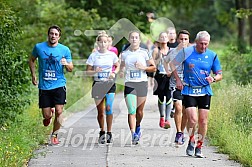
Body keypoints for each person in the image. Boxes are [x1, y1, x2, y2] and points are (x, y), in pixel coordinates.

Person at [170, 31, 222, 157]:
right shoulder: (186, 52)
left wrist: (214, 79)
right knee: (192, 119)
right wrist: (177, 79)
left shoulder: (212, 55)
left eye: (206, 44)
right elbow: (172, 64)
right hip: (189, 90)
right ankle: (192, 140)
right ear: (196, 42)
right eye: (201, 44)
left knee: (203, 121)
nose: (203, 47)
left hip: (204, 91)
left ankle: (199, 146)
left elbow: (219, 74)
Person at [29, 25, 74, 145]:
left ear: (59, 37)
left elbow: (71, 69)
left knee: (60, 111)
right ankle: (48, 116)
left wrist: (66, 64)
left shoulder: (64, 50)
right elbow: (32, 60)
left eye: (55, 34)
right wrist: (33, 75)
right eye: (51, 34)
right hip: (44, 86)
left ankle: (54, 134)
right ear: (48, 34)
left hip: (59, 84)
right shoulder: (39, 47)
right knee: (46, 114)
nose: (53, 36)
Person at [120, 31, 156, 144]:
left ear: (139, 40)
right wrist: (121, 72)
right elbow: (121, 66)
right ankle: (133, 134)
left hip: (141, 83)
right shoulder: (125, 54)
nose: (134, 39)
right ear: (129, 40)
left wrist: (143, 67)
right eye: (132, 37)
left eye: (136, 38)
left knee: (139, 112)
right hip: (130, 84)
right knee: (131, 111)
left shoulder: (145, 52)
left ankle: (138, 126)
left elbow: (154, 68)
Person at [86, 32, 120, 144]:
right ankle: (102, 131)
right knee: (100, 112)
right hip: (98, 85)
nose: (103, 43)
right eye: (101, 41)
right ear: (98, 42)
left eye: (105, 41)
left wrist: (114, 72)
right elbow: (88, 72)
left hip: (109, 84)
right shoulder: (93, 55)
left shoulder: (112, 55)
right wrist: (95, 71)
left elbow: (118, 65)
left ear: (108, 43)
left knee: (109, 108)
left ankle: (109, 132)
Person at [164, 30, 191, 145]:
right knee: (178, 107)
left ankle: (182, 131)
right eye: (181, 39)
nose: (183, 41)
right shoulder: (173, 51)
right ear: (177, 39)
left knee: (185, 111)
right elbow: (165, 62)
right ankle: (179, 132)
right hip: (175, 84)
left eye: (185, 39)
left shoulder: (192, 52)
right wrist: (167, 71)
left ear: (189, 40)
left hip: (189, 85)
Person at [152, 32, 172, 129]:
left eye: (165, 37)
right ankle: (162, 117)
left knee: (169, 96)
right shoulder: (156, 50)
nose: (163, 38)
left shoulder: (172, 50)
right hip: (159, 76)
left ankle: (167, 119)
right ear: (159, 39)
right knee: (160, 97)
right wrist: (159, 58)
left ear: (168, 39)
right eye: (161, 37)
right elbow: (152, 65)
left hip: (169, 76)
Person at [166, 27, 179, 118]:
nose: (171, 35)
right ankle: (166, 113)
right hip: (167, 74)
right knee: (167, 94)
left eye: (173, 33)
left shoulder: (179, 45)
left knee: (175, 92)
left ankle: (174, 107)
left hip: (177, 73)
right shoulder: (164, 44)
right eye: (169, 33)